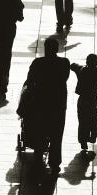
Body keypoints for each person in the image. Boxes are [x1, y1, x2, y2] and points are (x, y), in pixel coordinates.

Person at [23, 38, 70, 174]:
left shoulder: (38, 63)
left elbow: (30, 81)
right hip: (58, 103)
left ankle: (38, 155)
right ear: (57, 49)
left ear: (45, 48)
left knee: (40, 130)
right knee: (57, 134)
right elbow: (65, 78)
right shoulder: (64, 63)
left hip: (40, 102)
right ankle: (55, 162)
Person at [70, 54, 97, 155]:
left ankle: (83, 141)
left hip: (82, 99)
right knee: (93, 118)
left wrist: (72, 65)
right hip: (91, 100)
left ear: (87, 62)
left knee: (82, 120)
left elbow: (73, 65)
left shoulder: (81, 70)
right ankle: (94, 134)